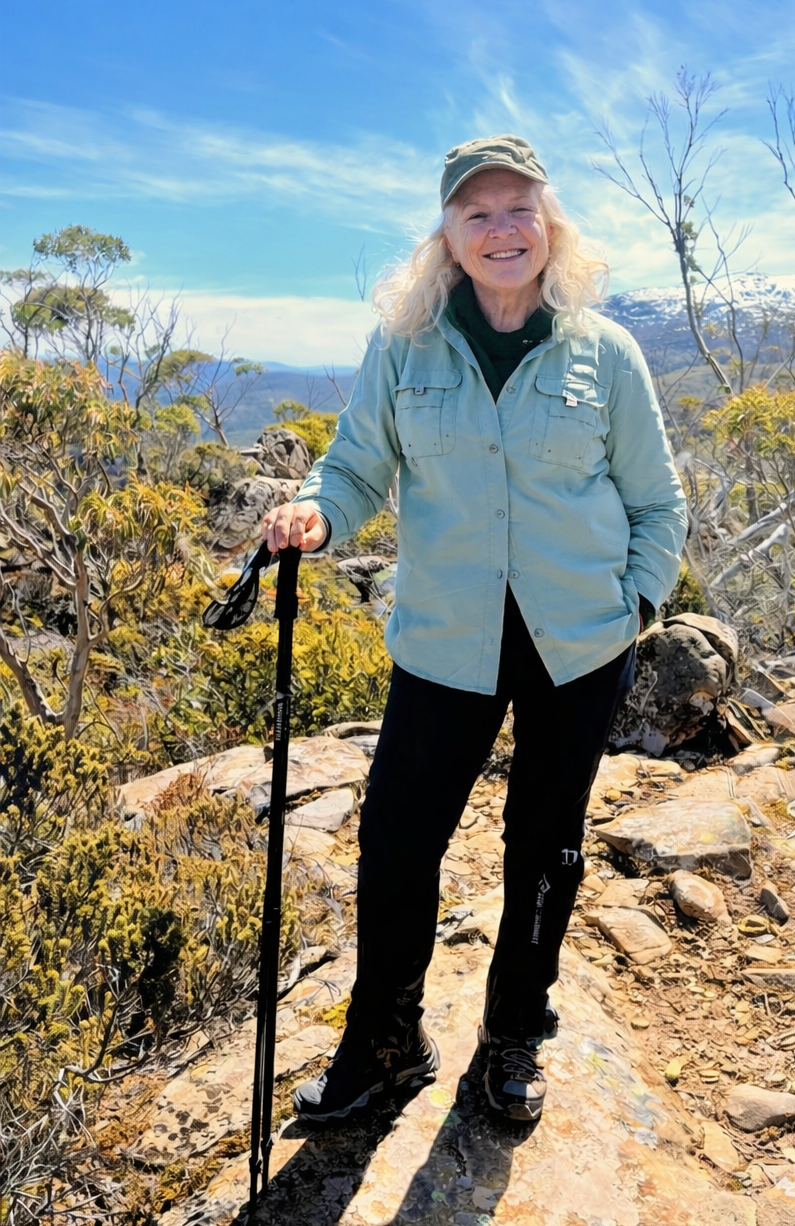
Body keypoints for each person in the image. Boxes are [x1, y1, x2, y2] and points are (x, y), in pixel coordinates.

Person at [262, 134, 688, 1124]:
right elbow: (357, 467)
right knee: (399, 843)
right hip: (445, 637)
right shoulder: (404, 347)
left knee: (544, 847)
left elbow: (657, 503)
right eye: (477, 213)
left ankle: (512, 1033)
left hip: (577, 643)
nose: (501, 229)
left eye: (518, 210)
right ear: (447, 235)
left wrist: (632, 606)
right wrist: (317, 513)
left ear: (549, 226)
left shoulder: (606, 353)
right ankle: (386, 1042)